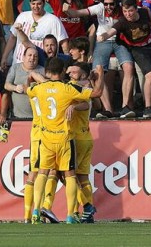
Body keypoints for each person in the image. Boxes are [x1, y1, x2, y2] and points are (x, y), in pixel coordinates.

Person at [27, 58, 104, 224]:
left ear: (47, 71)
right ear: (62, 71)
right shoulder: (69, 89)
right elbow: (96, 94)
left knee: (42, 173)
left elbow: (29, 88)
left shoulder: (40, 88)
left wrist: (35, 77)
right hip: (65, 138)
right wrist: (101, 75)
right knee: (70, 175)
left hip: (46, 138)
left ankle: (35, 212)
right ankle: (71, 215)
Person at [97, 0, 151, 118]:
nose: (128, 14)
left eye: (131, 11)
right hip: (138, 49)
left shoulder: (144, 11)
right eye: (125, 11)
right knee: (150, 74)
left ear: (136, 9)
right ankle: (148, 108)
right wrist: (103, 37)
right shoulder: (122, 22)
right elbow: (111, 31)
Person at [66, 0, 136, 119]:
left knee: (129, 67)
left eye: (111, 4)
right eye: (106, 4)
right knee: (98, 71)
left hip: (120, 41)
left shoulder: (123, 8)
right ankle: (107, 109)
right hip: (102, 41)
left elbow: (139, 12)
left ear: (117, 2)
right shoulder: (99, 7)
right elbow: (77, 13)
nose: (108, 7)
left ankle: (126, 107)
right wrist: (67, 11)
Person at [1, 0, 68, 71]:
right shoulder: (22, 16)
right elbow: (12, 38)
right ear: (29, 3)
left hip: (41, 66)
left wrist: (67, 63)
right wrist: (4, 57)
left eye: (39, 4)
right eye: (33, 4)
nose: (36, 7)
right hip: (19, 64)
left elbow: (64, 44)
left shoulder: (53, 20)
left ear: (44, 3)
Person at [66, 62, 97, 223]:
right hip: (86, 137)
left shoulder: (75, 89)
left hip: (76, 138)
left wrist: (74, 107)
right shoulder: (83, 89)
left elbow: (86, 103)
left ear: (83, 75)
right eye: (69, 71)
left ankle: (78, 210)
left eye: (74, 71)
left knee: (67, 176)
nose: (70, 73)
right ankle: (88, 213)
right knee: (83, 177)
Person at [4, 47, 44, 119]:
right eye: (30, 55)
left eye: (35, 56)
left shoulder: (42, 70)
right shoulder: (15, 68)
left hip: (37, 117)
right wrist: (15, 88)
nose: (32, 58)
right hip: (17, 116)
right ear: (23, 57)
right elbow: (6, 85)